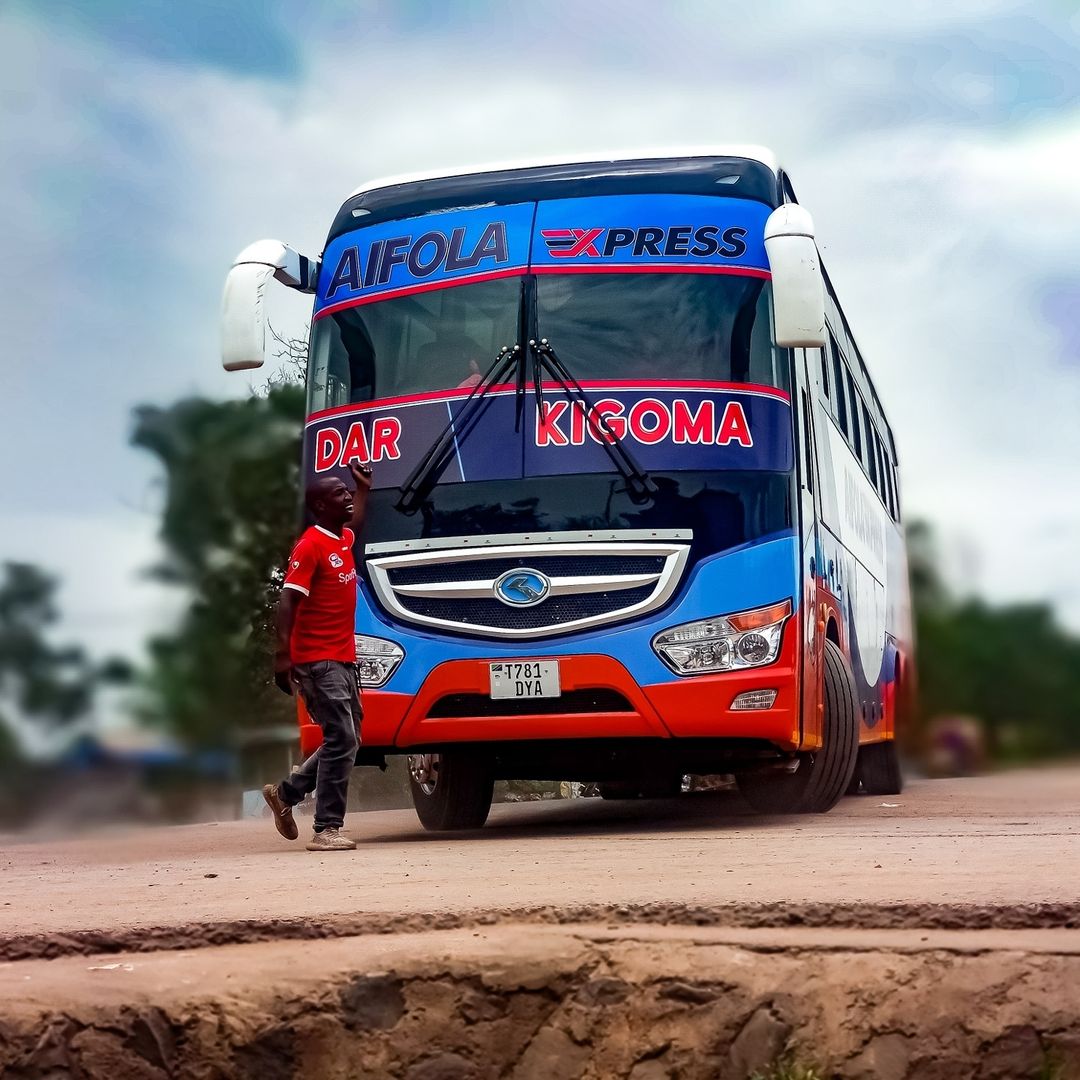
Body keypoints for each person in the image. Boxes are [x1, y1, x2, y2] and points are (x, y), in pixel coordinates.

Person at [262, 460, 373, 851]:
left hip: (343, 657)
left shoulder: (340, 539)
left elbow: (355, 524)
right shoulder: (309, 546)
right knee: (341, 736)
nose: (346, 498)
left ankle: (286, 795)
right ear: (320, 506)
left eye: (347, 493)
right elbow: (288, 600)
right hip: (316, 660)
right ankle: (327, 828)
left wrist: (363, 489)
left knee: (349, 738)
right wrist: (282, 656)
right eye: (339, 494)